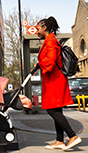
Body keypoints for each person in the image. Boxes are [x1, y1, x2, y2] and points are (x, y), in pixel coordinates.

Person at [36, 16, 82, 151]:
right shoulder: (50, 40)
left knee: (51, 109)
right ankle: (59, 140)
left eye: (38, 28)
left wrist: (40, 63)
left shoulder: (50, 41)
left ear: (45, 27)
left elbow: (50, 61)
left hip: (55, 81)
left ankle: (72, 136)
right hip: (54, 79)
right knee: (56, 109)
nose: (36, 31)